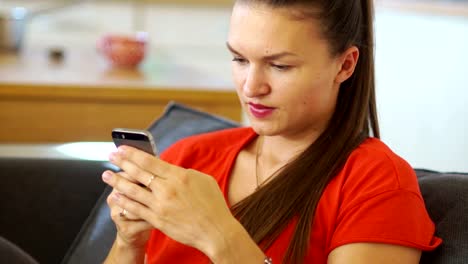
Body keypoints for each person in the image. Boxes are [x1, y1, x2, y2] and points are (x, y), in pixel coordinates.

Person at [101, 0, 442, 263]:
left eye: (280, 66)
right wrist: (128, 244)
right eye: (239, 59)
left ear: (345, 65)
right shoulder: (187, 158)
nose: (251, 87)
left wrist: (219, 236)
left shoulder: (377, 184)